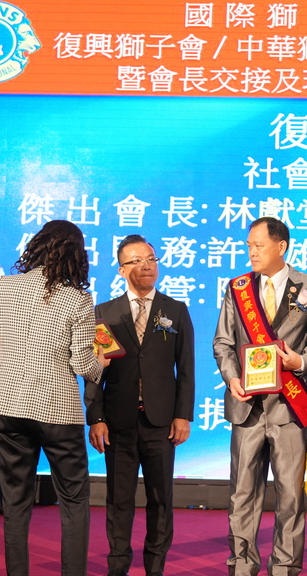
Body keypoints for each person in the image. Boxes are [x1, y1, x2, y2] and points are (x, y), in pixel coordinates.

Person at [0, 219, 108, 576]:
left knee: (15, 501)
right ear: (76, 256)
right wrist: (100, 363)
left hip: (6, 403)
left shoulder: (5, 286)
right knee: (74, 500)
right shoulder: (78, 299)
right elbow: (82, 364)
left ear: (37, 247)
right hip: (57, 409)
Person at [213, 217, 307, 576]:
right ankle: (242, 565)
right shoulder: (238, 288)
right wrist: (232, 378)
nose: (252, 252)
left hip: (290, 408)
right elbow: (223, 342)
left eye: (258, 246)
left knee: (290, 496)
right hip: (246, 407)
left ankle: (285, 567)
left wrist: (300, 361)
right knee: (242, 494)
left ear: (281, 247)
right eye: (249, 245)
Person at [85, 234, 196, 576]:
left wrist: (182, 415)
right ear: (121, 270)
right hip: (118, 421)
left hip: (161, 422)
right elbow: (95, 372)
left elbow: (186, 368)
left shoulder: (175, 310)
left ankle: (155, 567)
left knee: (161, 498)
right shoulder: (104, 312)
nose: (147, 265)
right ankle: (117, 566)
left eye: (151, 259)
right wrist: (96, 417)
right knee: (119, 499)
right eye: (137, 260)